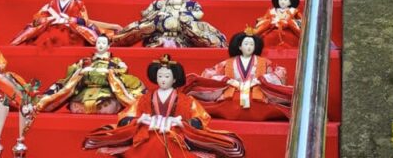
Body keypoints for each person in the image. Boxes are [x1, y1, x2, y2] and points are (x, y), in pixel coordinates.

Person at [83, 54, 246, 158]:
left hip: (176, 134)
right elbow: (126, 117)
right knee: (150, 143)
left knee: (169, 143)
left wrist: (181, 123)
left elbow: (200, 120)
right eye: (160, 75)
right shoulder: (145, 98)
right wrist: (141, 120)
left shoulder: (186, 100)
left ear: (175, 79)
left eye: (167, 76)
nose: (163, 79)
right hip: (147, 132)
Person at [182, 31, 293, 121]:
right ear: (239, 46)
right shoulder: (228, 63)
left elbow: (277, 74)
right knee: (225, 105)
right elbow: (210, 75)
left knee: (265, 106)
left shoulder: (264, 62)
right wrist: (227, 81)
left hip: (256, 95)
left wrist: (262, 80)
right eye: (246, 44)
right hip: (233, 94)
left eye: (251, 44)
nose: (249, 47)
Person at [36, 34, 144, 114]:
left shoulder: (115, 62)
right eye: (99, 43)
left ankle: (102, 106)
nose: (101, 45)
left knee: (109, 105)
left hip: (105, 91)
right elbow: (72, 71)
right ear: (95, 45)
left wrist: (109, 72)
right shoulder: (85, 61)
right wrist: (80, 71)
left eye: (103, 43)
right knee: (75, 106)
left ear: (108, 46)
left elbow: (123, 71)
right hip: (86, 91)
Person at [112, 0, 226, 48]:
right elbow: (146, 13)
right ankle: (118, 39)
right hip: (160, 36)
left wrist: (184, 15)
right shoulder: (160, 3)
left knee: (195, 27)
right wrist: (159, 14)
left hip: (182, 36)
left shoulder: (190, 3)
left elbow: (199, 13)